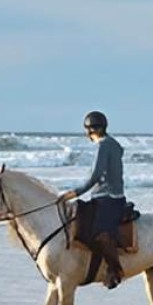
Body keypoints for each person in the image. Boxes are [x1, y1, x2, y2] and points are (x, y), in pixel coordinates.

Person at [60, 111, 125, 288]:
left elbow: (96, 175)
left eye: (90, 129)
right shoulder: (114, 144)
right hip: (104, 195)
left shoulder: (103, 145)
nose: (88, 133)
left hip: (108, 197)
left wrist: (76, 192)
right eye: (87, 129)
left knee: (100, 233)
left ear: (95, 130)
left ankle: (114, 270)